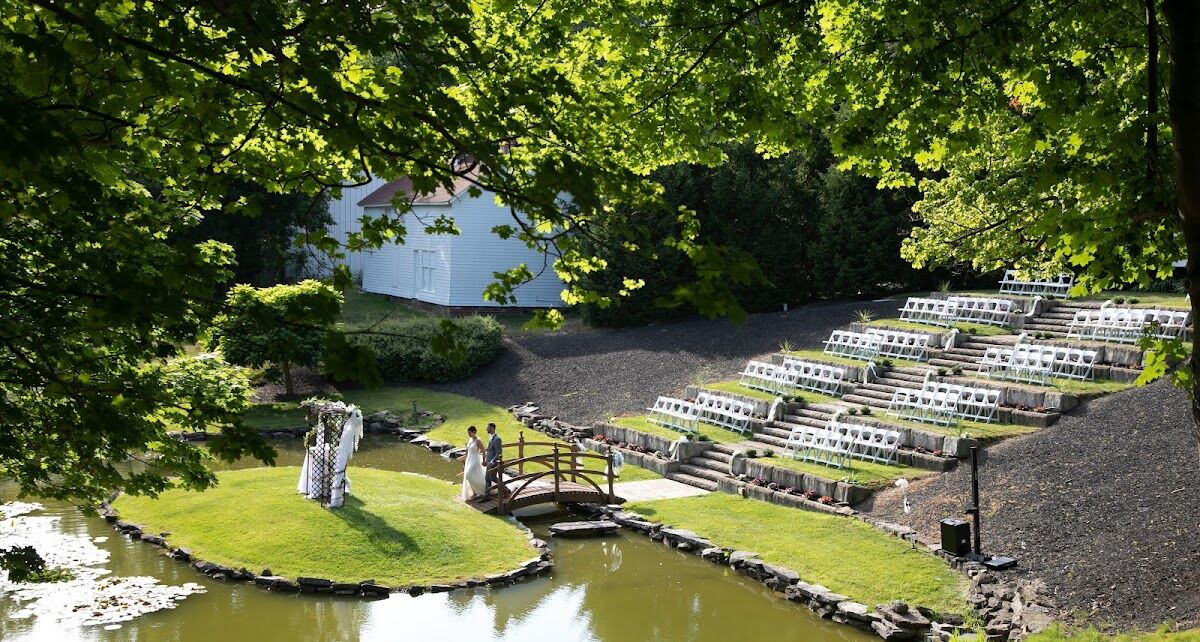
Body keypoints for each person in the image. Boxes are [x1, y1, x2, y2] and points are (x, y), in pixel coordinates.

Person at [461, 426, 486, 501]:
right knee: (470, 475)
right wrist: (465, 459)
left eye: (470, 433)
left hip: (475, 459)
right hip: (469, 459)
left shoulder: (478, 440)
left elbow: (484, 450)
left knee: (468, 475)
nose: (468, 434)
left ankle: (481, 490)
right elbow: (467, 451)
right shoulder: (470, 439)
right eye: (468, 433)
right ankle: (475, 492)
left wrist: (484, 460)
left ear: (474, 432)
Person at [483, 423, 502, 496]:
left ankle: (486, 495)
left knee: (490, 478)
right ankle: (487, 495)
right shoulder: (490, 437)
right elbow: (490, 449)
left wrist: (492, 461)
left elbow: (499, 453)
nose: (486, 429)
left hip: (492, 463)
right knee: (490, 478)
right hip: (489, 462)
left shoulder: (497, 439)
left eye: (487, 427)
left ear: (492, 428)